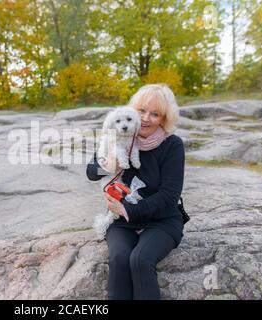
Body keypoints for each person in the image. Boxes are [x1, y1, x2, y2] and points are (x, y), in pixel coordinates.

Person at [86, 84, 185, 300]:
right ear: (132, 111)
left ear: (164, 118)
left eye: (155, 113)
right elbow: (91, 172)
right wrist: (109, 166)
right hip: (122, 221)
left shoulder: (173, 145)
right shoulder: (117, 137)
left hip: (162, 220)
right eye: (142, 111)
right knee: (120, 258)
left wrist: (126, 208)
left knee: (140, 259)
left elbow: (169, 196)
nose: (147, 118)